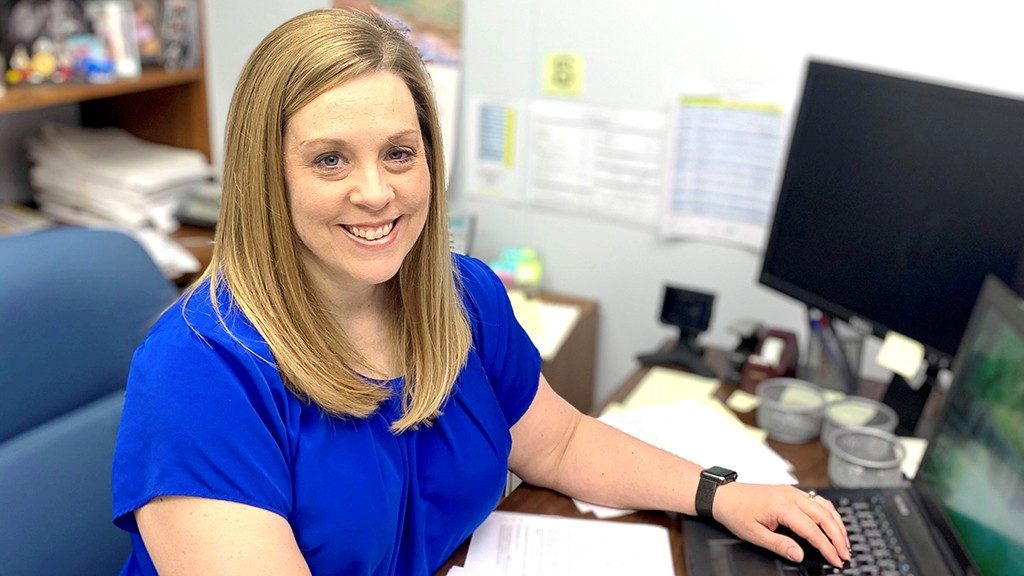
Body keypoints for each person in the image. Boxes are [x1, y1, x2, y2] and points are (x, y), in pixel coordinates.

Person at [111, 8, 850, 575]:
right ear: (264, 177)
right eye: (330, 159)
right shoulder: (199, 370)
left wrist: (720, 492)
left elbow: (559, 441)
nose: (377, 192)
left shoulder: (460, 296)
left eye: (400, 153)